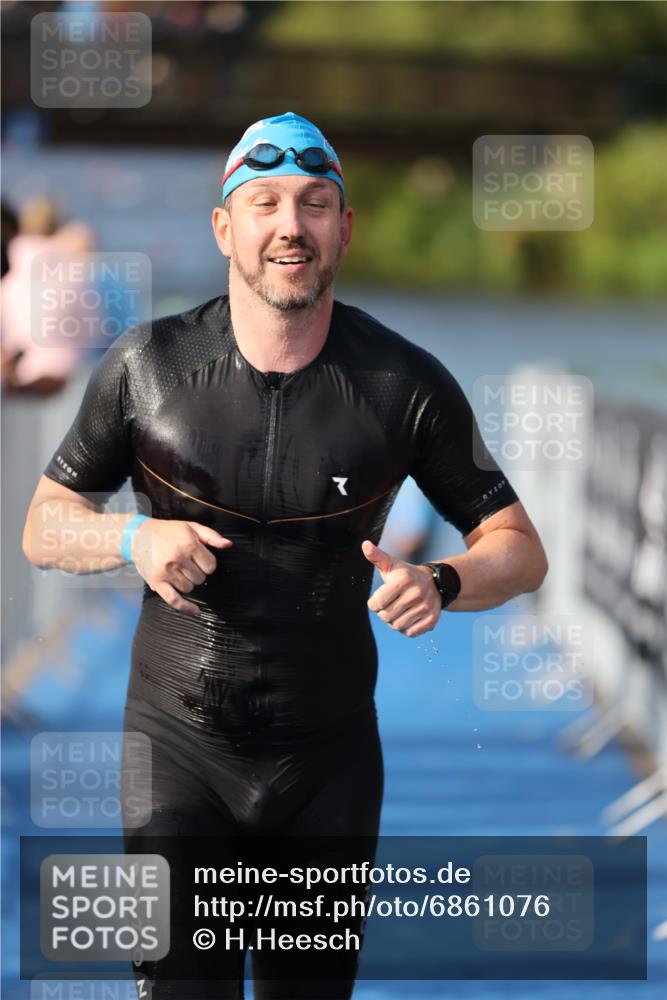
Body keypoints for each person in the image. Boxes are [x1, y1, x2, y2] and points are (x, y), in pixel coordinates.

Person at [22, 112, 548, 999]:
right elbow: (44, 522)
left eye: (313, 203)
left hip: (328, 764)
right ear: (226, 228)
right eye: (262, 203)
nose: (288, 226)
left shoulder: (403, 383)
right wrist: (129, 536)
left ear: (345, 228)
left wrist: (443, 580)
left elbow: (519, 549)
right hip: (174, 753)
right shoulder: (148, 365)